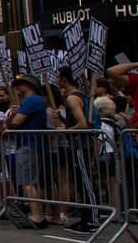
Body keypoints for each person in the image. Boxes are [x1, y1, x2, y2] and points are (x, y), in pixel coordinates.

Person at [7, 74, 55, 228]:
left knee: (27, 182)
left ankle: (37, 216)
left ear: (30, 86)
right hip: (28, 144)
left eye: (20, 84)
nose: (17, 87)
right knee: (31, 181)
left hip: (30, 145)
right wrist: (13, 115)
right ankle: (38, 214)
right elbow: (10, 123)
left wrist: (14, 117)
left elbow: (15, 123)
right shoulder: (26, 102)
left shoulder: (32, 100)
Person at [57, 66, 99, 234]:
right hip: (80, 144)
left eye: (59, 76)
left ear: (65, 79)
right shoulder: (79, 96)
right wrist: (60, 118)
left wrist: (64, 131)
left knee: (86, 181)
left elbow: (82, 124)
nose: (57, 79)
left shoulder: (72, 98)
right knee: (82, 182)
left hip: (80, 145)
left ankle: (92, 220)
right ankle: (86, 218)